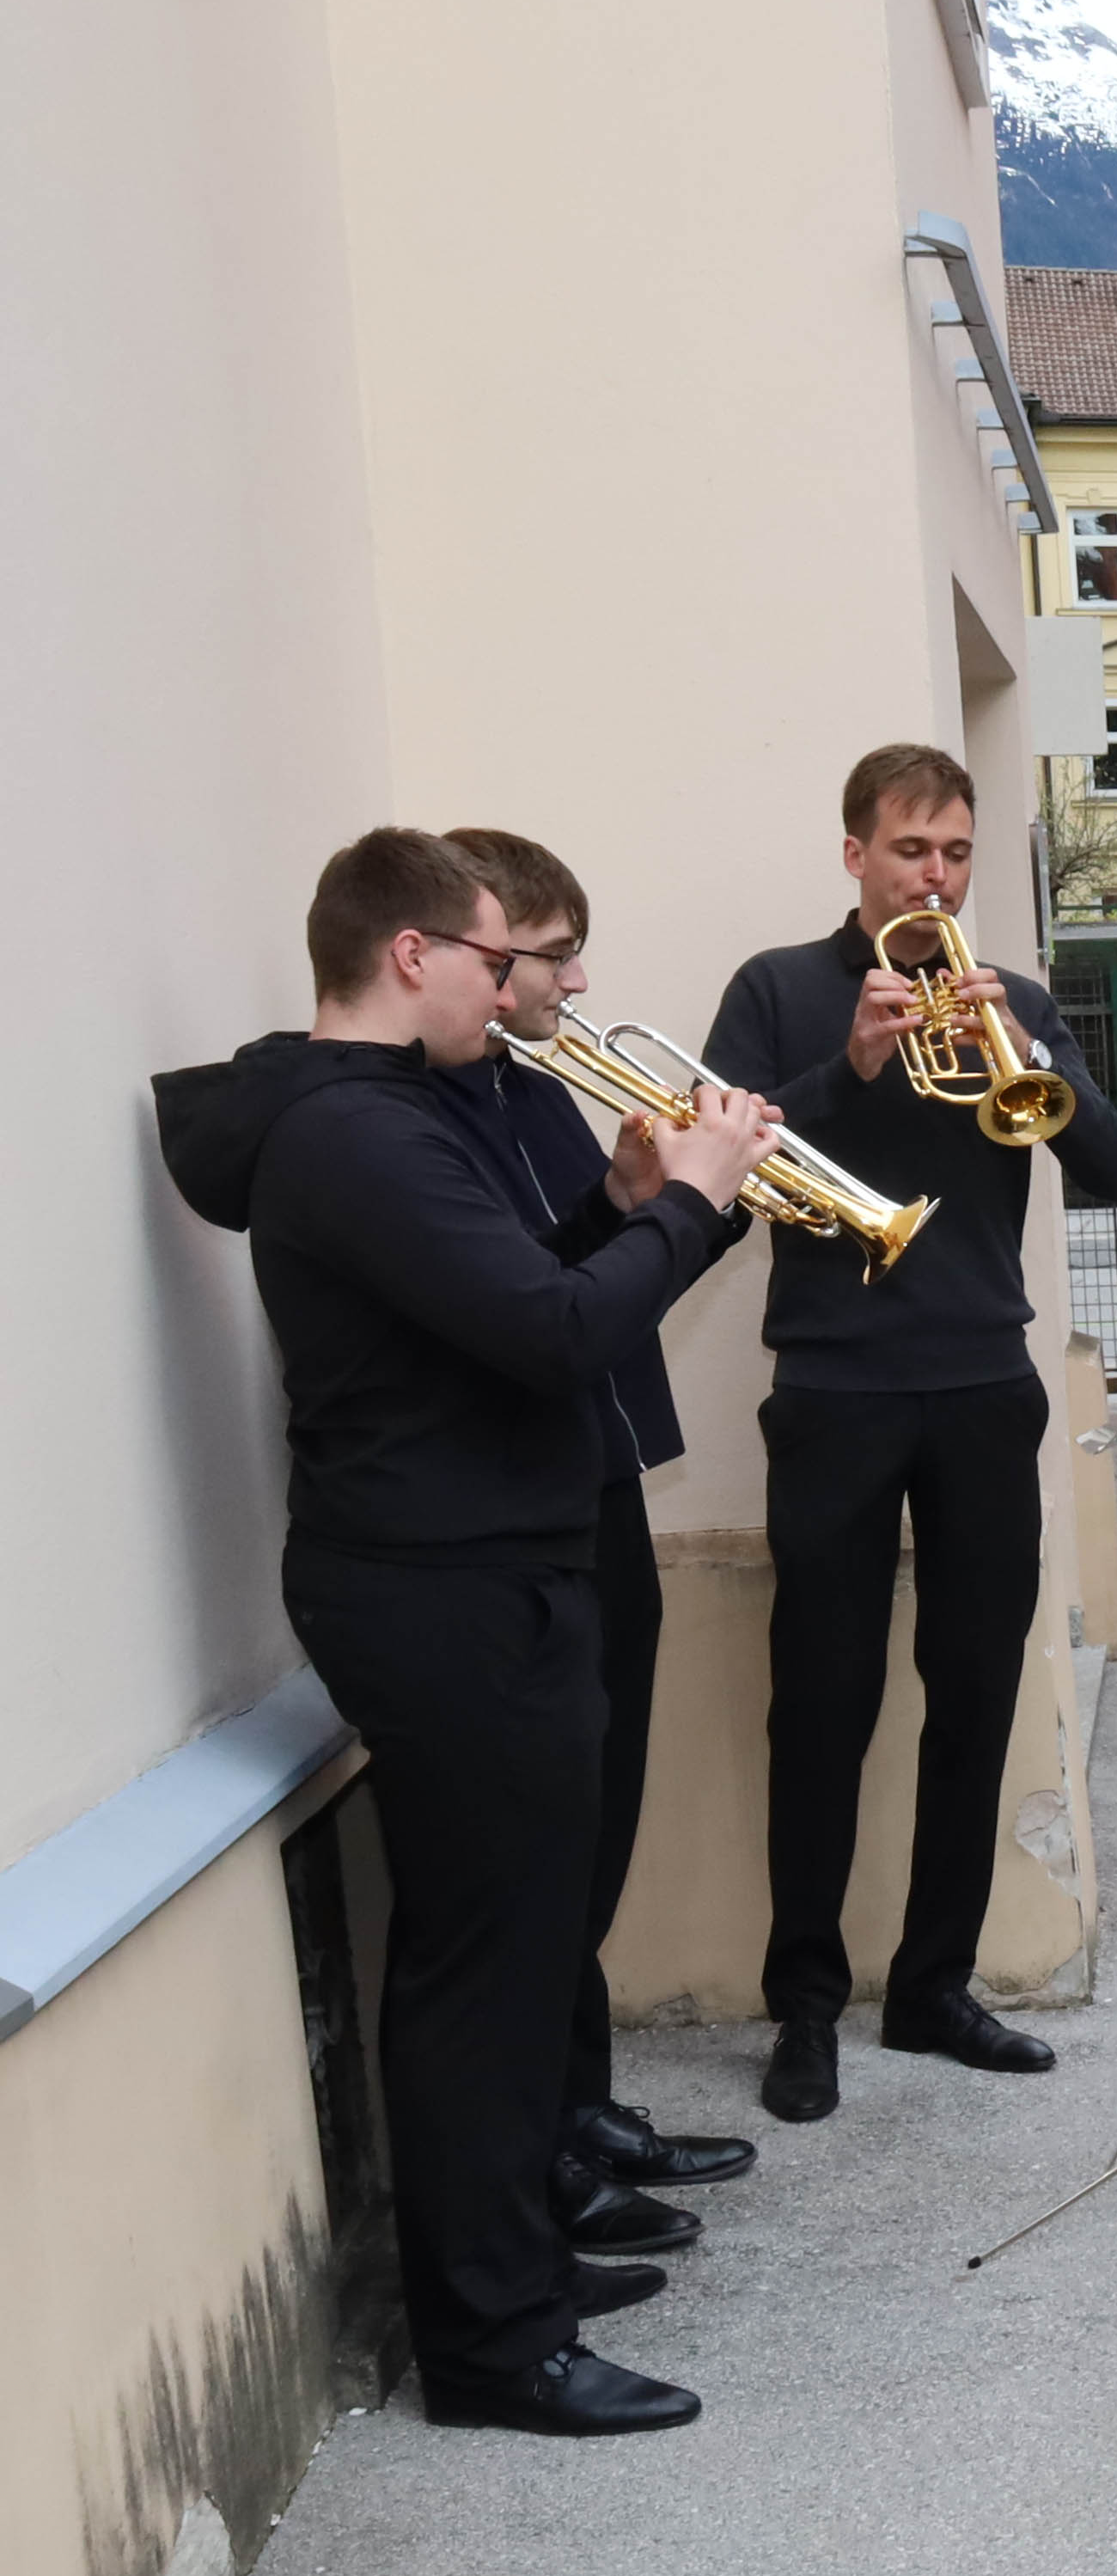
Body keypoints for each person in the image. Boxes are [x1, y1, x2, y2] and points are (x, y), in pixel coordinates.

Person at [152, 830, 766, 2434]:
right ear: (409, 953)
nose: (516, 994)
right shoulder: (353, 1132)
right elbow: (557, 1338)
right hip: (442, 1586)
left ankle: (515, 2276)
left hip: (489, 1567)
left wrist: (622, 1207)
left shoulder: (394, 1119)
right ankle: (496, 2345)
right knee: (480, 1976)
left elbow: (508, 1316)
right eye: (498, 964)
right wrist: (695, 1207)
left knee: (504, 1951)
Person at [704, 743, 1117, 2124]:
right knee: (822, 1704)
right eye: (912, 851)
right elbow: (732, 1174)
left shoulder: (1004, 1000)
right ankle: (808, 2008)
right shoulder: (777, 990)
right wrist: (848, 1066)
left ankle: (936, 1986)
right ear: (855, 856)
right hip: (834, 1392)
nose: (937, 876)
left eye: (956, 853)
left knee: (974, 1695)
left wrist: (1030, 1046)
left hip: (978, 1386)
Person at [441, 829, 762, 2257]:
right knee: (551, 1834)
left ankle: (583, 2100)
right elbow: (545, 1301)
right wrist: (674, 1204)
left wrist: (690, 1189)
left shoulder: (532, 1088)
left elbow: (604, 1258)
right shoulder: (430, 1121)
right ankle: (556, 2131)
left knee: (602, 1803)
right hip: (525, 1500)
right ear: (470, 946)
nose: (577, 979)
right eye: (554, 952)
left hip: (599, 1468)